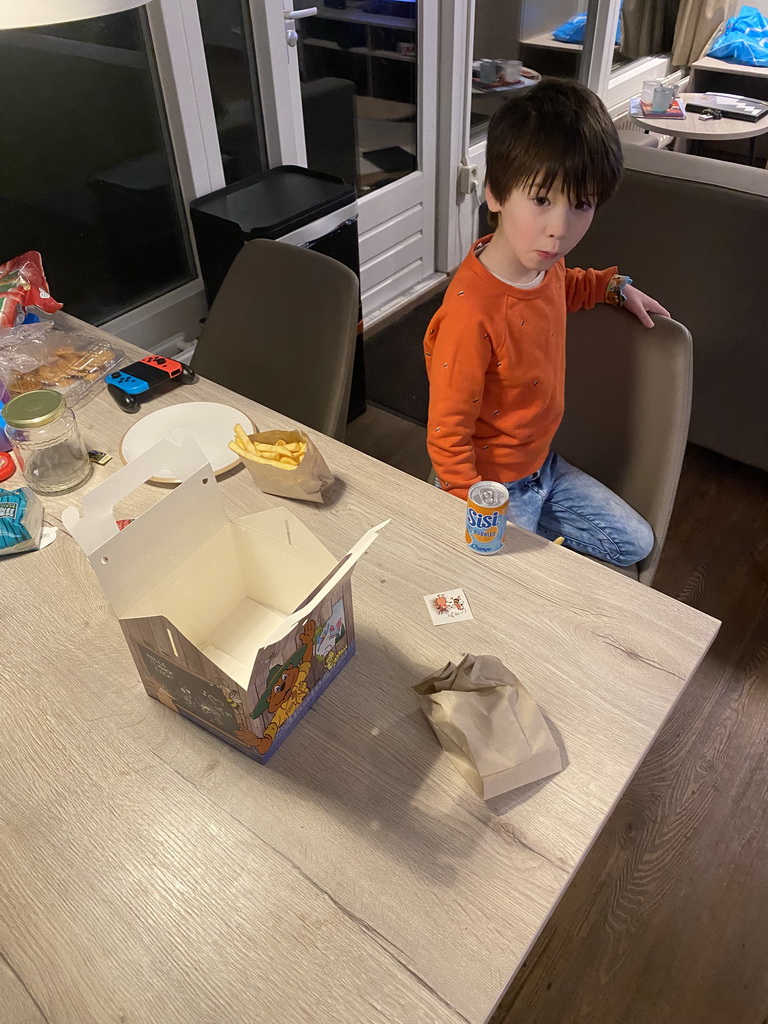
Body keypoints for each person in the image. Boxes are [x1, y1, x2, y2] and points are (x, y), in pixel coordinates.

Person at [424, 78, 670, 568]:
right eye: (541, 200)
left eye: (580, 205)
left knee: (635, 545)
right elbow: (447, 435)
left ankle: (534, 537)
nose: (559, 229)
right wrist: (470, 508)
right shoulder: (471, 312)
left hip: (543, 468)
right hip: (484, 487)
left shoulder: (546, 265)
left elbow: (568, 284)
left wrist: (612, 287)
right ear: (494, 193)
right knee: (507, 599)